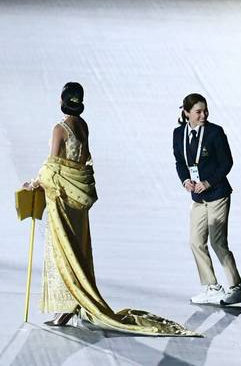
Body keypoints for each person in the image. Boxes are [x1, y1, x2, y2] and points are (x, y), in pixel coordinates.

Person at [23, 82, 197, 335]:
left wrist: (35, 182)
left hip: (63, 198)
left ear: (61, 99)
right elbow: (82, 161)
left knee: (64, 251)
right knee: (78, 249)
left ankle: (68, 307)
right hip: (79, 200)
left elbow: (54, 165)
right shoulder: (83, 126)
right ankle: (75, 303)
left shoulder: (60, 129)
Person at [172, 93, 241, 306]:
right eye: (198, 112)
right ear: (187, 113)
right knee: (195, 241)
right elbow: (179, 161)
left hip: (217, 194)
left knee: (217, 242)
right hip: (198, 196)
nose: (203, 115)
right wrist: (185, 180)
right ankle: (211, 286)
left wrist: (208, 182)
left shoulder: (215, 132)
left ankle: (236, 288)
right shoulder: (178, 133)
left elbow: (226, 163)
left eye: (205, 110)